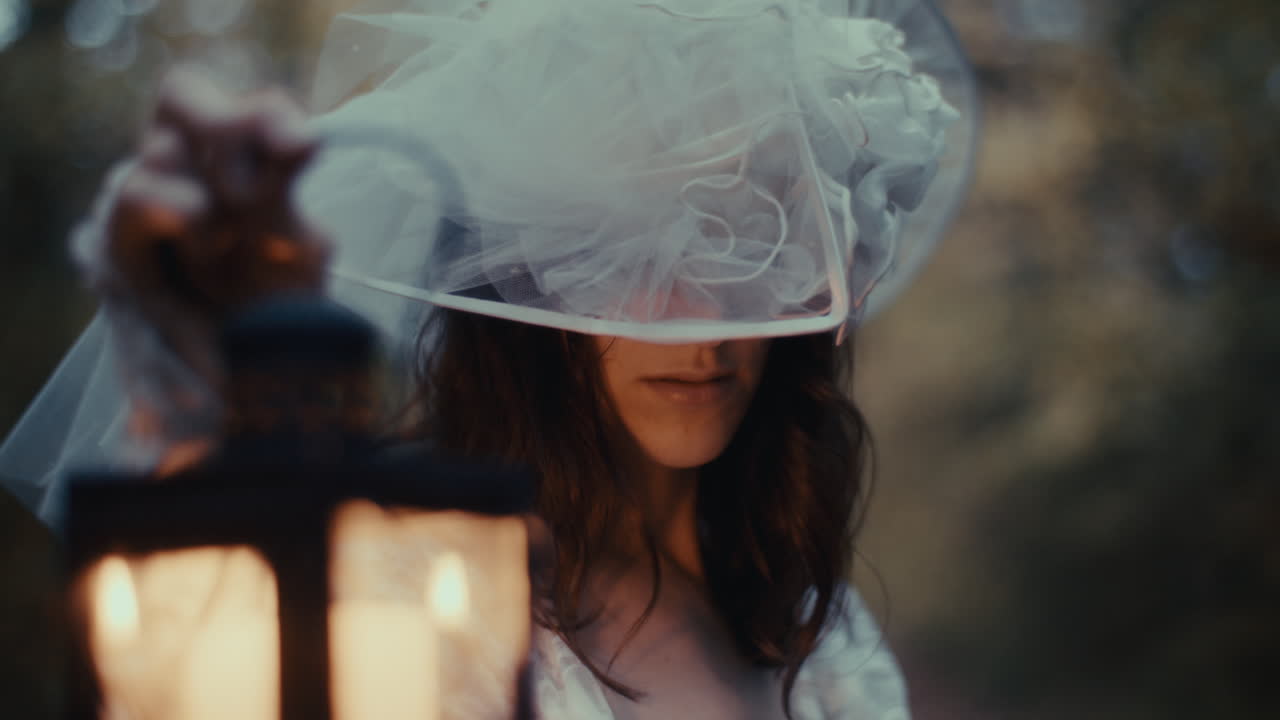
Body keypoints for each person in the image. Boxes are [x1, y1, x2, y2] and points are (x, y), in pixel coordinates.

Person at [0, 1, 978, 718]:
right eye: (625, 253)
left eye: (746, 251)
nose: (698, 320)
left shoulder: (814, 620)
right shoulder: (421, 596)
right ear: (536, 276)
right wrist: (187, 381)